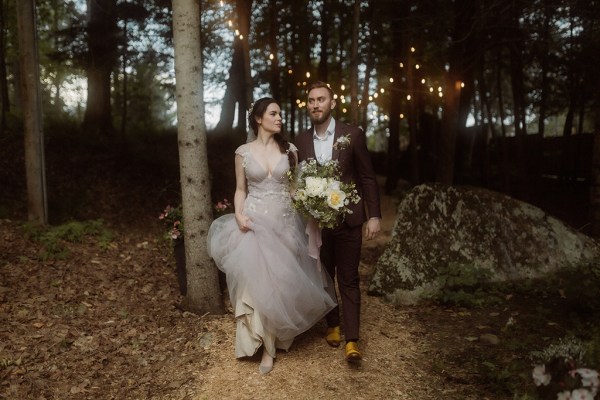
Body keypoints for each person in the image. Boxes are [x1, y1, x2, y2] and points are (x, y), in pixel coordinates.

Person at [207, 97, 336, 375]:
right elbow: (241, 189)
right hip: (254, 222)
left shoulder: (289, 150)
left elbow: (293, 189)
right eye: (273, 113)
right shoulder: (242, 152)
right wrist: (239, 214)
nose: (279, 118)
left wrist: (313, 204)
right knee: (258, 286)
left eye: (280, 114)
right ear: (258, 118)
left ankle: (277, 336)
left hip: (285, 222)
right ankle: (267, 348)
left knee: (281, 283)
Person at [294, 81, 382, 362]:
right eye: (311, 100)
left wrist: (374, 215)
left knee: (349, 278)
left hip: (349, 221)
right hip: (318, 224)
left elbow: (366, 176)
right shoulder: (301, 140)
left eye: (321, 99)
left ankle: (352, 340)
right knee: (324, 276)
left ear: (332, 103)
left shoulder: (352, 135)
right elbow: (297, 181)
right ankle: (333, 324)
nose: (315, 104)